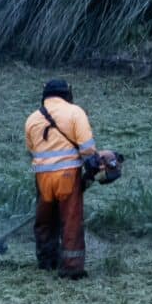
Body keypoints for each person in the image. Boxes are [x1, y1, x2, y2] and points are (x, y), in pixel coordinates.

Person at [24, 79, 97, 279]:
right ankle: (72, 268)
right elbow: (88, 149)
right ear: (67, 94)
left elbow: (31, 150)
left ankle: (47, 261)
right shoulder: (75, 112)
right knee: (71, 221)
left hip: (43, 178)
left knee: (45, 220)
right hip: (68, 176)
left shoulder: (32, 119)